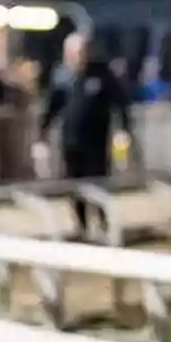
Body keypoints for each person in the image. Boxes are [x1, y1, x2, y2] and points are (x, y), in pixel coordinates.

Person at [40, 33, 133, 232]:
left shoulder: (101, 74)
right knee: (74, 184)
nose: (78, 56)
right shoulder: (61, 77)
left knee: (97, 182)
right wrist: (42, 134)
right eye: (73, 52)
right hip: (71, 141)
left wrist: (123, 129)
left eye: (81, 51)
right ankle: (81, 225)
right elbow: (51, 107)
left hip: (97, 141)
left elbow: (120, 103)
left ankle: (102, 222)